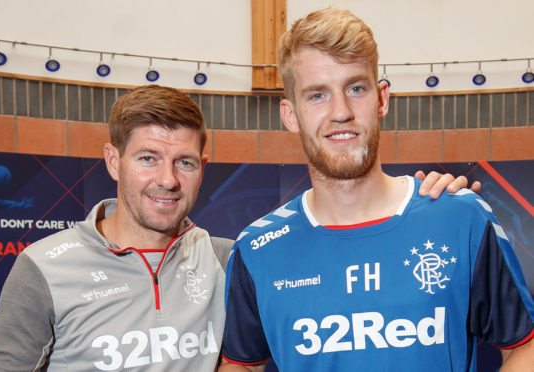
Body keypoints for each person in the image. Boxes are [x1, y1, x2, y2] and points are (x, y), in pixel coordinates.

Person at [0, 84, 471, 371]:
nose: (167, 180)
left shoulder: (232, 259)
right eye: (148, 158)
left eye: (185, 163)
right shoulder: (43, 267)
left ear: (204, 166)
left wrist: (423, 202)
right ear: (113, 161)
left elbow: (342, 283)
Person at [219, 7, 534, 372]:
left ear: (381, 99)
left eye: (355, 88)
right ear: (291, 115)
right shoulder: (258, 250)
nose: (340, 112)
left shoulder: (461, 219)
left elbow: (523, 347)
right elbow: (240, 365)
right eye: (317, 95)